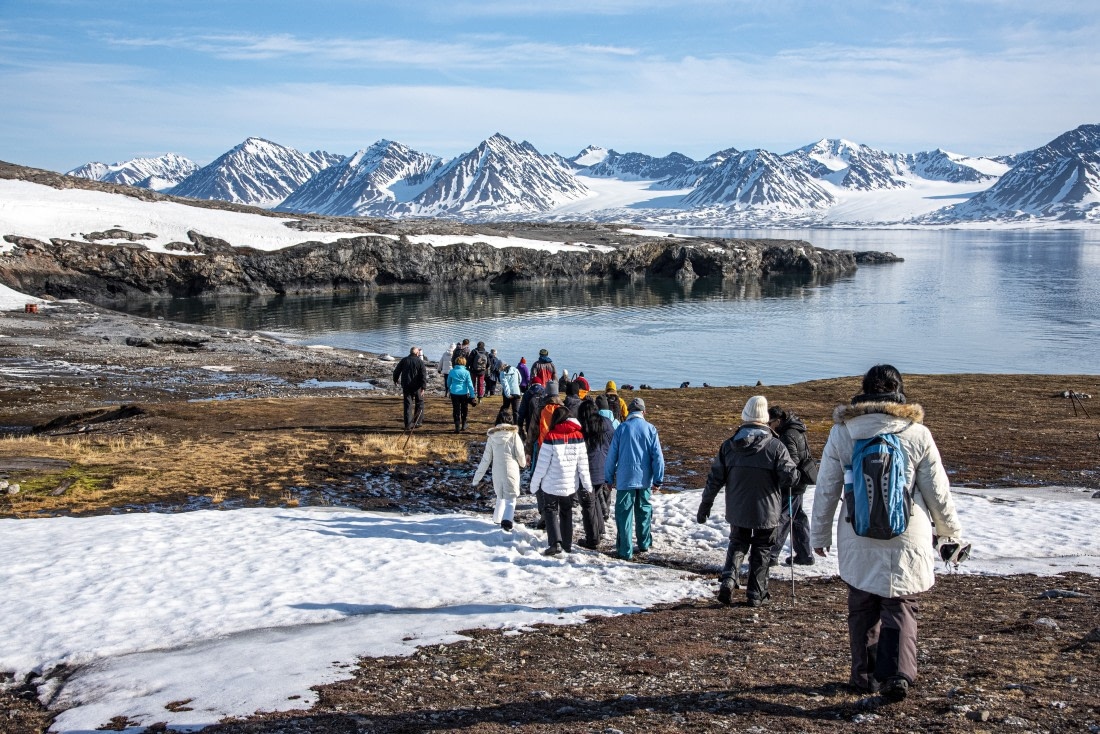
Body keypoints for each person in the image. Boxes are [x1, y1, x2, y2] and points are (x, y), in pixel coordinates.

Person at [811, 365, 964, 702]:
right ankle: (895, 675)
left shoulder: (844, 432)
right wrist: (949, 533)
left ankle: (863, 676)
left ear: (863, 391)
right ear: (899, 391)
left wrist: (818, 535)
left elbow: (827, 488)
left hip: (857, 533)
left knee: (862, 606)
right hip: (907, 533)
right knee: (901, 605)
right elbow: (938, 492)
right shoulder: (915, 432)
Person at [696, 396, 798, 608]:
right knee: (762, 548)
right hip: (767, 509)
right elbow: (789, 478)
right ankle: (756, 593)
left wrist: (705, 505)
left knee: (737, 542)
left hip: (738, 507)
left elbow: (714, 479)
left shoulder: (729, 446)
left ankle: (729, 579)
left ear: (745, 416)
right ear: (765, 418)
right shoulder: (776, 447)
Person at [604, 397, 665, 561]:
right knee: (643, 510)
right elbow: (657, 457)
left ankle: (625, 550)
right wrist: (658, 479)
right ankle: (644, 543)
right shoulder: (651, 429)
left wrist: (608, 478)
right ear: (644, 412)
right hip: (644, 479)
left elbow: (611, 456)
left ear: (629, 411)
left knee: (624, 514)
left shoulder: (622, 428)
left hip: (625, 479)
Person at [529, 406, 592, 555]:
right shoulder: (578, 435)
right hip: (570, 484)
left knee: (550, 510)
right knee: (566, 511)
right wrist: (587, 484)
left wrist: (534, 484)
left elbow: (542, 465)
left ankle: (555, 543)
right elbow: (583, 465)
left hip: (551, 483)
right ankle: (567, 544)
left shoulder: (551, 436)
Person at [766, 406, 816, 567]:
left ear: (778, 421)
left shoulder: (787, 435)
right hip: (801, 480)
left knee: (784, 516)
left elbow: (791, 461)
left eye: (770, 423)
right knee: (797, 516)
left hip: (793, 482)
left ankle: (772, 555)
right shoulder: (796, 430)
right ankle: (805, 554)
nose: (768, 426)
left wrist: (784, 478)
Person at [472, 410, 527, 531]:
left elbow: (486, 460)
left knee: (500, 496)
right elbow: (520, 453)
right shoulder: (513, 435)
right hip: (511, 469)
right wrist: (523, 464)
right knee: (511, 498)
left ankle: (497, 520)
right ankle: (506, 522)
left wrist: (476, 479)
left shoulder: (492, 437)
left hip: (496, 471)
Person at [578, 398, 615, 548]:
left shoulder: (583, 428)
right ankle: (599, 529)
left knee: (588, 504)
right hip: (605, 470)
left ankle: (592, 539)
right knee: (595, 501)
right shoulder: (607, 424)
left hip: (589, 471)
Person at [392, 346, 427, 430]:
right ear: (417, 353)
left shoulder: (404, 360)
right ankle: (417, 422)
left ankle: (408, 424)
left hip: (406, 385)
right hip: (417, 386)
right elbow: (423, 375)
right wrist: (423, 387)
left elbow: (397, 371)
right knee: (420, 403)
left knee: (408, 404)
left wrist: (395, 379)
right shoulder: (420, 361)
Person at [446, 356, 475, 433]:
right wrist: (472, 396)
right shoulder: (466, 372)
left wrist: (450, 387)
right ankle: (464, 424)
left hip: (454, 392)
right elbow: (470, 385)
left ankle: (457, 426)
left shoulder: (452, 371)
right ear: (464, 363)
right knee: (464, 408)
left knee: (456, 409)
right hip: (464, 393)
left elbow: (448, 382)